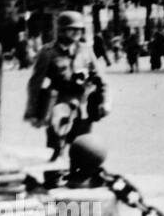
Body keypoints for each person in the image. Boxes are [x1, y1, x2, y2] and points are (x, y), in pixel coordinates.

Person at [24, 11, 110, 159]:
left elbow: (101, 80)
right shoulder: (48, 52)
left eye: (79, 29)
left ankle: (78, 178)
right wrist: (32, 112)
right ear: (62, 30)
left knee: (83, 147)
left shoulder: (86, 50)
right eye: (72, 29)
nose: (77, 32)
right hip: (59, 105)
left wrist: (105, 101)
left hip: (83, 106)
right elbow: (35, 84)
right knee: (56, 147)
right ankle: (54, 178)